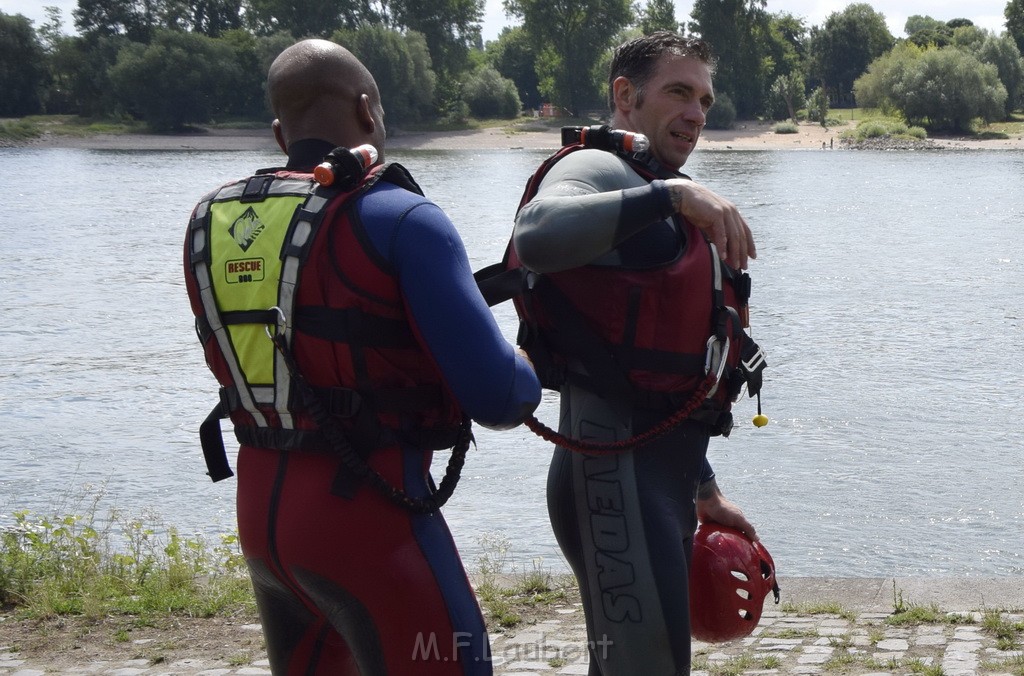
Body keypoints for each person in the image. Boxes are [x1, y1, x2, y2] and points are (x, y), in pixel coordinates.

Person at [183, 38, 540, 675]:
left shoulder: (208, 217)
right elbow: (501, 398)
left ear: (276, 131)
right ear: (368, 109)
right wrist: (527, 356)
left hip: (264, 523)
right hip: (367, 525)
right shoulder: (401, 216)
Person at [508, 32, 766, 674]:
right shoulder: (594, 169)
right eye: (678, 92)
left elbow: (660, 378)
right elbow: (537, 236)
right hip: (611, 477)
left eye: (704, 99)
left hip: (661, 478)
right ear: (626, 96)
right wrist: (675, 196)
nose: (696, 113)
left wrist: (704, 490)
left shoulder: (649, 183)